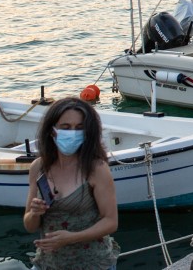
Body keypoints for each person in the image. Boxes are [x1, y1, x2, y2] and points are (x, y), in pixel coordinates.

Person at [22, 97, 119, 270]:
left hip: (93, 264)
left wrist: (71, 238)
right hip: (47, 264)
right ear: (52, 131)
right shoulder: (38, 167)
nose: (72, 132)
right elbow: (29, 225)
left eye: (79, 128)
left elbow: (111, 221)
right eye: (66, 127)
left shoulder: (97, 169)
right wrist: (35, 213)